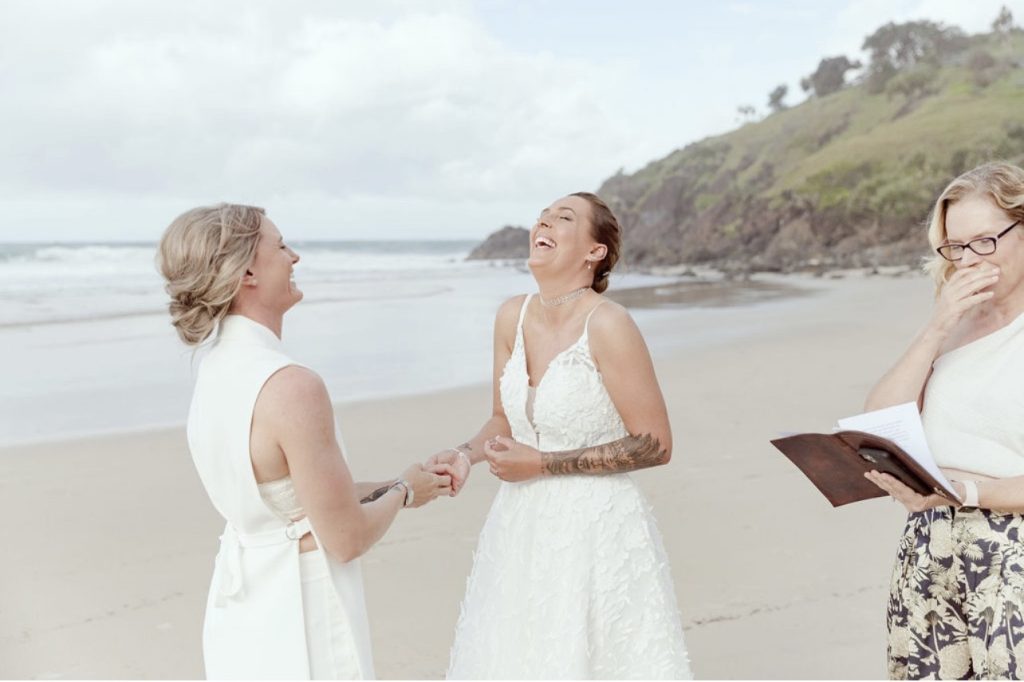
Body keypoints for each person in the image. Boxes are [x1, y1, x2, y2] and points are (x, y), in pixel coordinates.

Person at [157, 203, 452, 680]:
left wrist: (403, 481)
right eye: (280, 245)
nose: (294, 257)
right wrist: (404, 493)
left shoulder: (213, 370)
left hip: (241, 610)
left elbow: (287, 497)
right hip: (301, 610)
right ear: (247, 271)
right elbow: (347, 537)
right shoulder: (292, 386)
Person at [429, 192, 692, 679]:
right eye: (541, 217)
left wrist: (543, 464)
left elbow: (656, 444)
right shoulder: (513, 315)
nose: (542, 223)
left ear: (595, 251)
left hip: (596, 528)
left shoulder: (609, 324)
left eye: (562, 218)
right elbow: (503, 418)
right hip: (520, 525)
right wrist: (467, 454)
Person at [864, 161, 1024, 679]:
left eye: (985, 241)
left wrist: (964, 492)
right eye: (955, 247)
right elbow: (879, 422)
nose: (969, 260)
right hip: (929, 553)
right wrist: (936, 328)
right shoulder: (953, 320)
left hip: (1012, 557)